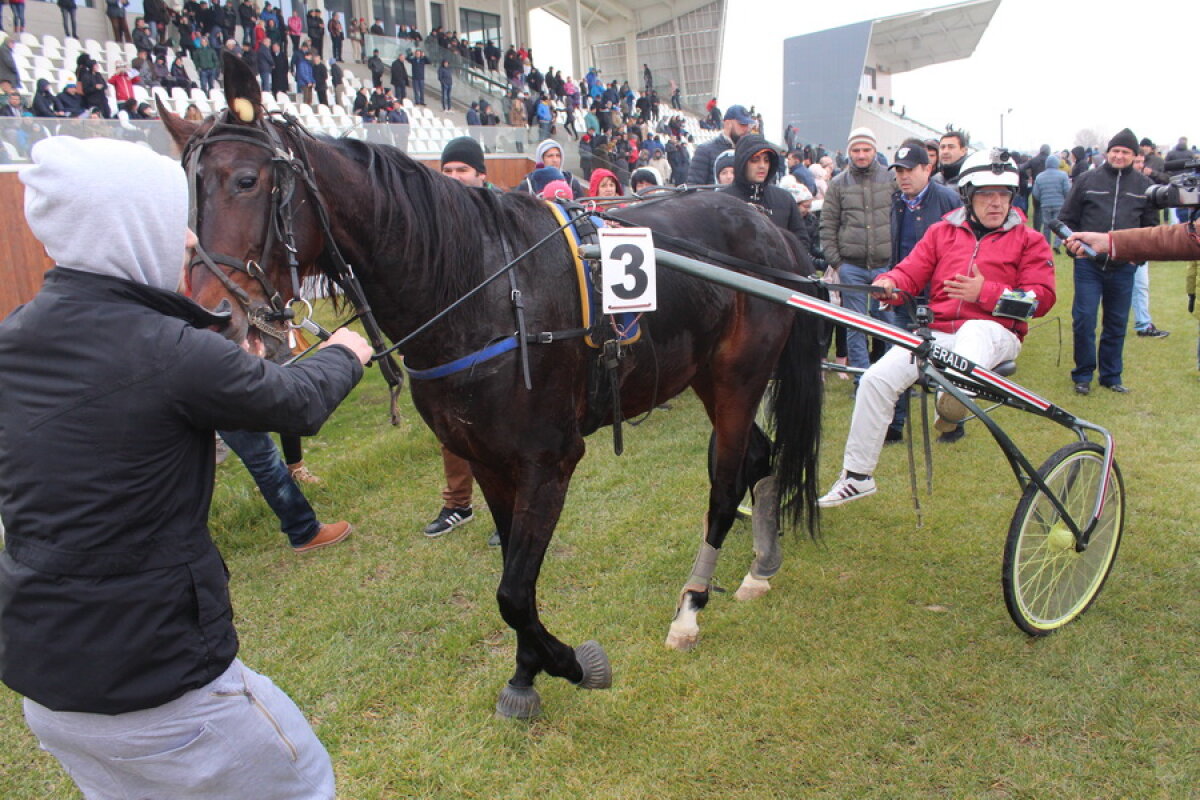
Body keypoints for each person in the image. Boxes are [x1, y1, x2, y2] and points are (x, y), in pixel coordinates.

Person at [0, 136, 373, 799]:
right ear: (127, 228)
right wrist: (345, 350)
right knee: (304, 779)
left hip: (45, 682)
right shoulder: (169, 350)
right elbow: (299, 401)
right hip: (163, 688)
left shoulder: (15, 338)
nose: (188, 241)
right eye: (171, 219)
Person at [818, 149, 1056, 507]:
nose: (996, 203)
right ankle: (857, 476)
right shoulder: (942, 231)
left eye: (1004, 195)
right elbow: (910, 271)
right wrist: (889, 282)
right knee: (875, 379)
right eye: (987, 195)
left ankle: (951, 405)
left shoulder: (1029, 240)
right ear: (968, 195)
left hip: (996, 333)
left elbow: (1042, 299)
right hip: (939, 333)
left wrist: (986, 293)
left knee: (975, 332)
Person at [426, 136, 500, 546]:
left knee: (496, 428)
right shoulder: (430, 220)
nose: (453, 178)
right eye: (448, 170)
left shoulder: (500, 214)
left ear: (480, 176)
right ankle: (458, 503)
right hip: (447, 340)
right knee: (450, 424)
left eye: (463, 170)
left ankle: (505, 508)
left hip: (496, 338)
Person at [1056, 128, 1157, 395]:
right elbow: (1066, 218)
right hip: (1088, 264)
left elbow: (1151, 228)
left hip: (1123, 266)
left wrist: (1138, 259)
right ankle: (1083, 374)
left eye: (1125, 152)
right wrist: (1072, 245)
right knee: (1084, 319)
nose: (1119, 156)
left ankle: (1111, 376)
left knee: (1116, 321)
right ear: (1107, 152)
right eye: (1115, 151)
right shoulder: (1087, 180)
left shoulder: (1144, 187)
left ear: (1135, 156)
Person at [886, 138, 963, 443]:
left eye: (909, 170)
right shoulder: (895, 201)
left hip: (940, 295)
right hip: (904, 294)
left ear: (927, 169)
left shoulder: (949, 201)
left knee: (946, 361)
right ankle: (896, 423)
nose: (903, 176)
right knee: (900, 355)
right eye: (899, 170)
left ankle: (951, 420)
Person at [819, 126, 894, 371]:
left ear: (874, 150)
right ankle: (861, 376)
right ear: (849, 152)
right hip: (851, 266)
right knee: (855, 326)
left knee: (888, 323)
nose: (861, 155)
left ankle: (890, 374)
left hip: (885, 266)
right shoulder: (838, 184)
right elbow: (828, 224)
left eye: (866, 149)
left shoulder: (890, 179)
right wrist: (837, 262)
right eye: (856, 150)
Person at [719, 134, 809, 248]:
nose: (762, 166)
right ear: (742, 162)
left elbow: (801, 242)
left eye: (766, 160)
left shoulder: (785, 199)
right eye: (755, 160)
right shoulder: (721, 200)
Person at [686, 103, 753, 185]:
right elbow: (694, 188)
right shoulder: (705, 151)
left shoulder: (749, 152)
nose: (746, 129)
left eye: (748, 125)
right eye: (742, 124)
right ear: (728, 124)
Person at [515, 138, 587, 197]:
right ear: (541, 158)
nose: (555, 160)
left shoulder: (571, 182)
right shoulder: (529, 184)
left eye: (558, 156)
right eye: (550, 156)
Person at [1031, 154, 1070, 253]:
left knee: (1047, 225)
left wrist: (1042, 199)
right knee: (1059, 225)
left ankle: (1046, 245)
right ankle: (1057, 244)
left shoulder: (1039, 177)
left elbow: (1035, 193)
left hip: (1045, 204)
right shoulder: (1063, 175)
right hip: (1059, 204)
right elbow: (1067, 190)